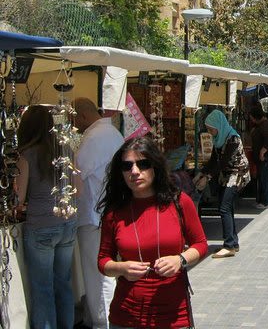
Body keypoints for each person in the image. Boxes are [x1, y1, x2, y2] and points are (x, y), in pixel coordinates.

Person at [97, 136, 208, 329]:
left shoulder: (179, 202)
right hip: (126, 316)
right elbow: (103, 260)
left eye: (143, 164)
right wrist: (122, 269)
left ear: (155, 167)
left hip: (173, 315)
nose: (135, 171)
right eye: (127, 166)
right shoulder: (115, 212)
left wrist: (180, 260)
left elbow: (201, 244)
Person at [15, 105, 78, 329]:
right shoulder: (65, 150)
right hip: (67, 222)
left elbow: (18, 198)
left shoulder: (27, 155)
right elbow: (76, 188)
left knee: (42, 289)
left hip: (41, 225)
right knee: (63, 284)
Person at [73, 97, 125, 329]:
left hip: (95, 214)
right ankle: (101, 318)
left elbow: (76, 174)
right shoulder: (112, 133)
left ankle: (102, 322)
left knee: (98, 274)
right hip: (108, 210)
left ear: (82, 116)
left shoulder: (93, 138)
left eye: (74, 118)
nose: (74, 123)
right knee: (105, 270)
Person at [202, 109, 246, 258]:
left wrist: (207, 177)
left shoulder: (232, 138)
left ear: (218, 125)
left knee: (224, 208)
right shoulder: (219, 139)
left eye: (210, 128)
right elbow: (214, 160)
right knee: (227, 207)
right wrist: (202, 173)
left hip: (237, 174)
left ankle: (229, 245)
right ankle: (233, 242)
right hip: (227, 175)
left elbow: (223, 162)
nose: (209, 131)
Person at [249, 105, 268, 209]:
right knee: (262, 178)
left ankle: (266, 201)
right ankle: (262, 200)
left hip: (266, 158)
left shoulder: (266, 125)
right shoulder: (261, 125)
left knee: (265, 178)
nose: (251, 120)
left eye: (252, 118)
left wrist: (262, 152)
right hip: (262, 158)